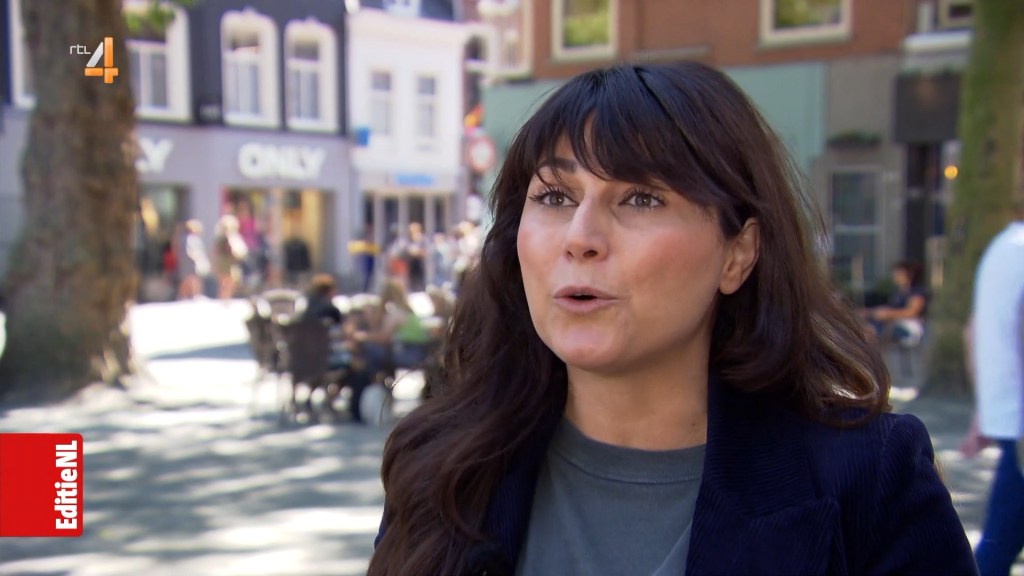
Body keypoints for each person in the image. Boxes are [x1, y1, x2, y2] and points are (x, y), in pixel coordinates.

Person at [368, 62, 976, 575]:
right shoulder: (438, 470)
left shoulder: (866, 481)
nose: (580, 238)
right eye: (555, 196)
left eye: (641, 198)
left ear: (737, 253)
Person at [959, 216, 1024, 575]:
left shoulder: (1002, 248)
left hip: (1010, 417)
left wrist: (984, 409)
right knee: (997, 548)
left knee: (998, 545)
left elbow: (973, 332)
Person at [862, 261, 928, 347]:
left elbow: (912, 312)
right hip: (893, 324)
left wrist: (888, 314)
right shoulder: (898, 293)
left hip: (909, 327)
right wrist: (870, 312)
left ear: (909, 274)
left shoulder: (916, 291)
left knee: (871, 331)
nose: (895, 277)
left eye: (899, 274)